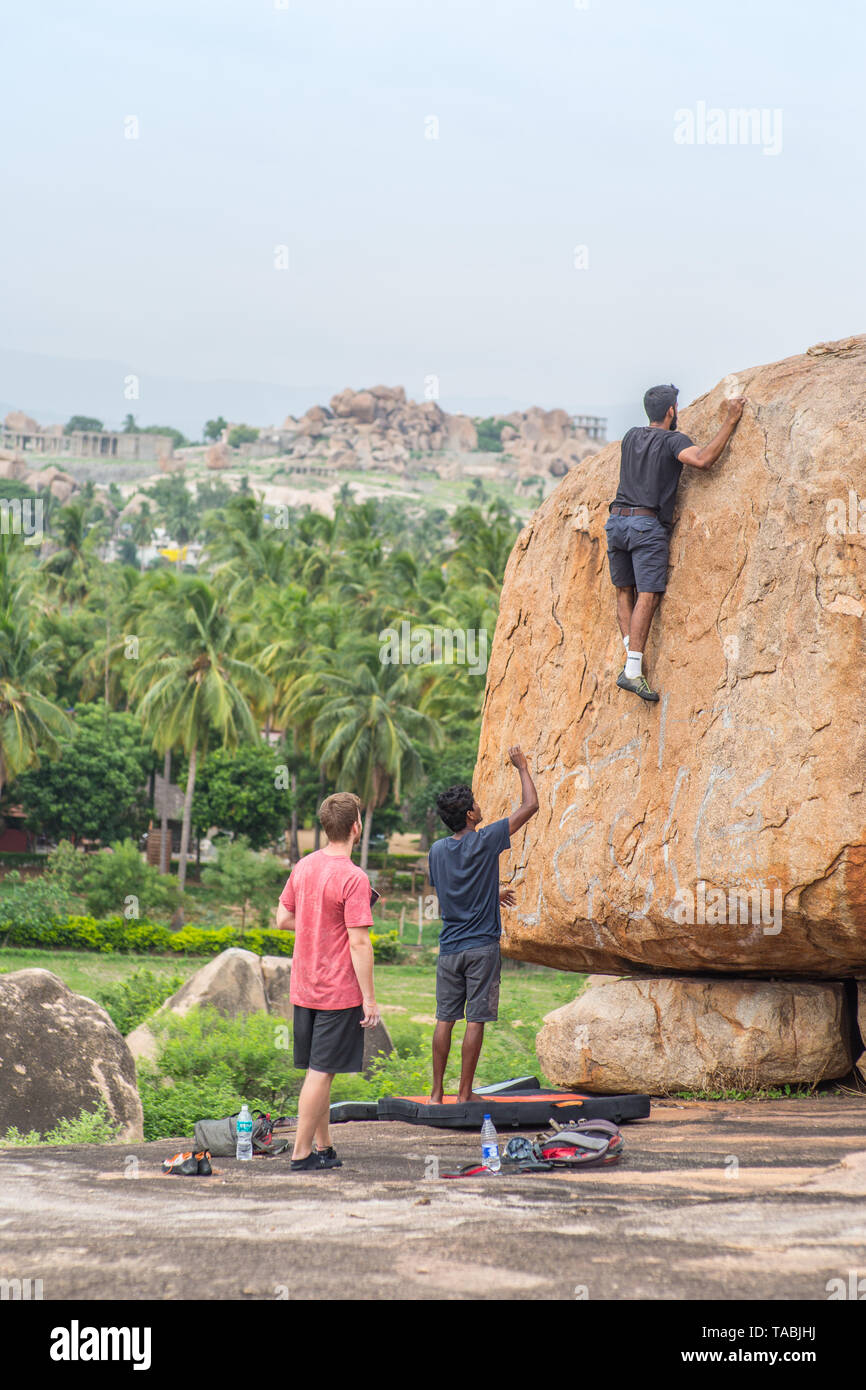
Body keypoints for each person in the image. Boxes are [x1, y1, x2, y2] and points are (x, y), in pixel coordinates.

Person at [605, 383, 747, 702]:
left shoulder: (631, 436)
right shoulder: (673, 440)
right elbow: (704, 460)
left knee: (623, 591)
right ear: (672, 411)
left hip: (616, 522)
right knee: (648, 594)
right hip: (645, 526)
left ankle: (631, 657)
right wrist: (731, 419)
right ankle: (632, 670)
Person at [426, 745, 539, 1104]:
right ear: (472, 814)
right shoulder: (486, 839)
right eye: (476, 803)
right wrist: (522, 767)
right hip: (481, 947)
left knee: (445, 1019)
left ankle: (435, 1093)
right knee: (475, 1019)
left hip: (449, 948)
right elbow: (530, 807)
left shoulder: (437, 851)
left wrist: (492, 890)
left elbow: (453, 887)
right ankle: (464, 1095)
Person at [275, 791, 380, 1172]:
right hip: (337, 991)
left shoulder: (304, 867)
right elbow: (359, 941)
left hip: (304, 986)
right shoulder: (353, 877)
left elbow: (282, 918)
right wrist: (369, 999)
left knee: (318, 1071)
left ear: (325, 827)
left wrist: (317, 921)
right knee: (321, 1073)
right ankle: (301, 1154)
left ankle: (324, 1148)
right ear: (356, 827)